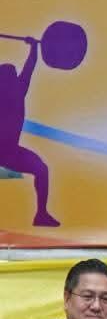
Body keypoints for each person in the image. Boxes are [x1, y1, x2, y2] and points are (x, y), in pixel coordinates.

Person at [0, 35, 58, 226]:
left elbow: (30, 66)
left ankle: (41, 215)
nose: (14, 78)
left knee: (41, 169)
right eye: (9, 76)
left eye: (13, 75)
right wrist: (33, 47)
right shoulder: (13, 91)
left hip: (10, 152)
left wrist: (33, 47)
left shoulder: (18, 90)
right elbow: (28, 69)